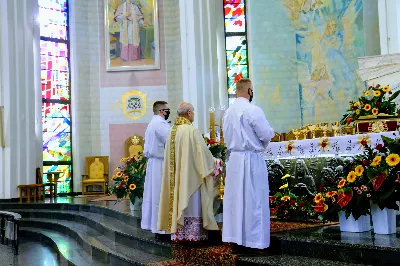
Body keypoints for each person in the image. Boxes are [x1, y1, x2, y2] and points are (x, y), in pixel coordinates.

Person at [222, 78, 274, 253]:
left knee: (235, 202)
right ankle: (256, 243)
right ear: (250, 91)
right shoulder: (253, 110)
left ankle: (236, 240)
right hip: (251, 160)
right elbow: (266, 134)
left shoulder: (228, 113)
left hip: (234, 161)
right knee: (255, 200)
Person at [157, 102, 222, 243]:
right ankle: (193, 235)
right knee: (192, 203)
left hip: (177, 179)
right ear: (188, 113)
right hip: (191, 178)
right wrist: (216, 163)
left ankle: (181, 234)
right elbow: (203, 155)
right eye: (193, 111)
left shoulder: (173, 131)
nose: (193, 114)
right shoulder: (191, 131)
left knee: (179, 200)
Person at [141, 101, 171, 242]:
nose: (168, 112)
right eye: (167, 110)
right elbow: (172, 141)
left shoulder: (152, 123)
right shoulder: (160, 124)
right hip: (160, 163)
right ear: (161, 111)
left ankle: (157, 227)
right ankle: (163, 229)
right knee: (161, 196)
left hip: (154, 163)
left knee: (155, 196)